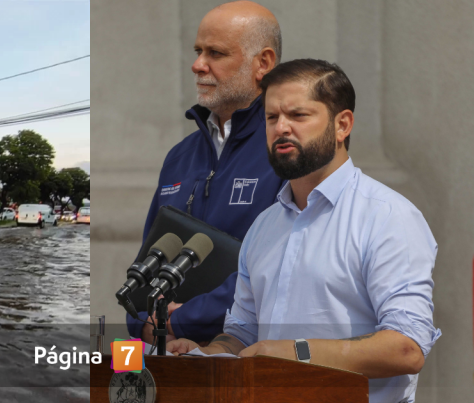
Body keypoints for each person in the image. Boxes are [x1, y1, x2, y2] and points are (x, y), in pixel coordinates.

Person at [167, 59, 440, 403]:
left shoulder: (388, 217)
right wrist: (206, 353)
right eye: (271, 117)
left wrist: (295, 352)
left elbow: (406, 348)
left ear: (342, 125)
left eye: (298, 116)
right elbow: (242, 333)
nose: (281, 128)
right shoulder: (264, 226)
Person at [127, 1, 286, 345]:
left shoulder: (287, 151)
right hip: (165, 349)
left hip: (243, 359)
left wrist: (183, 321)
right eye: (198, 51)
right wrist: (140, 319)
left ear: (264, 63)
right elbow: (149, 253)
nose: (197, 65)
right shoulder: (179, 155)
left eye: (215, 53)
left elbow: (280, 265)